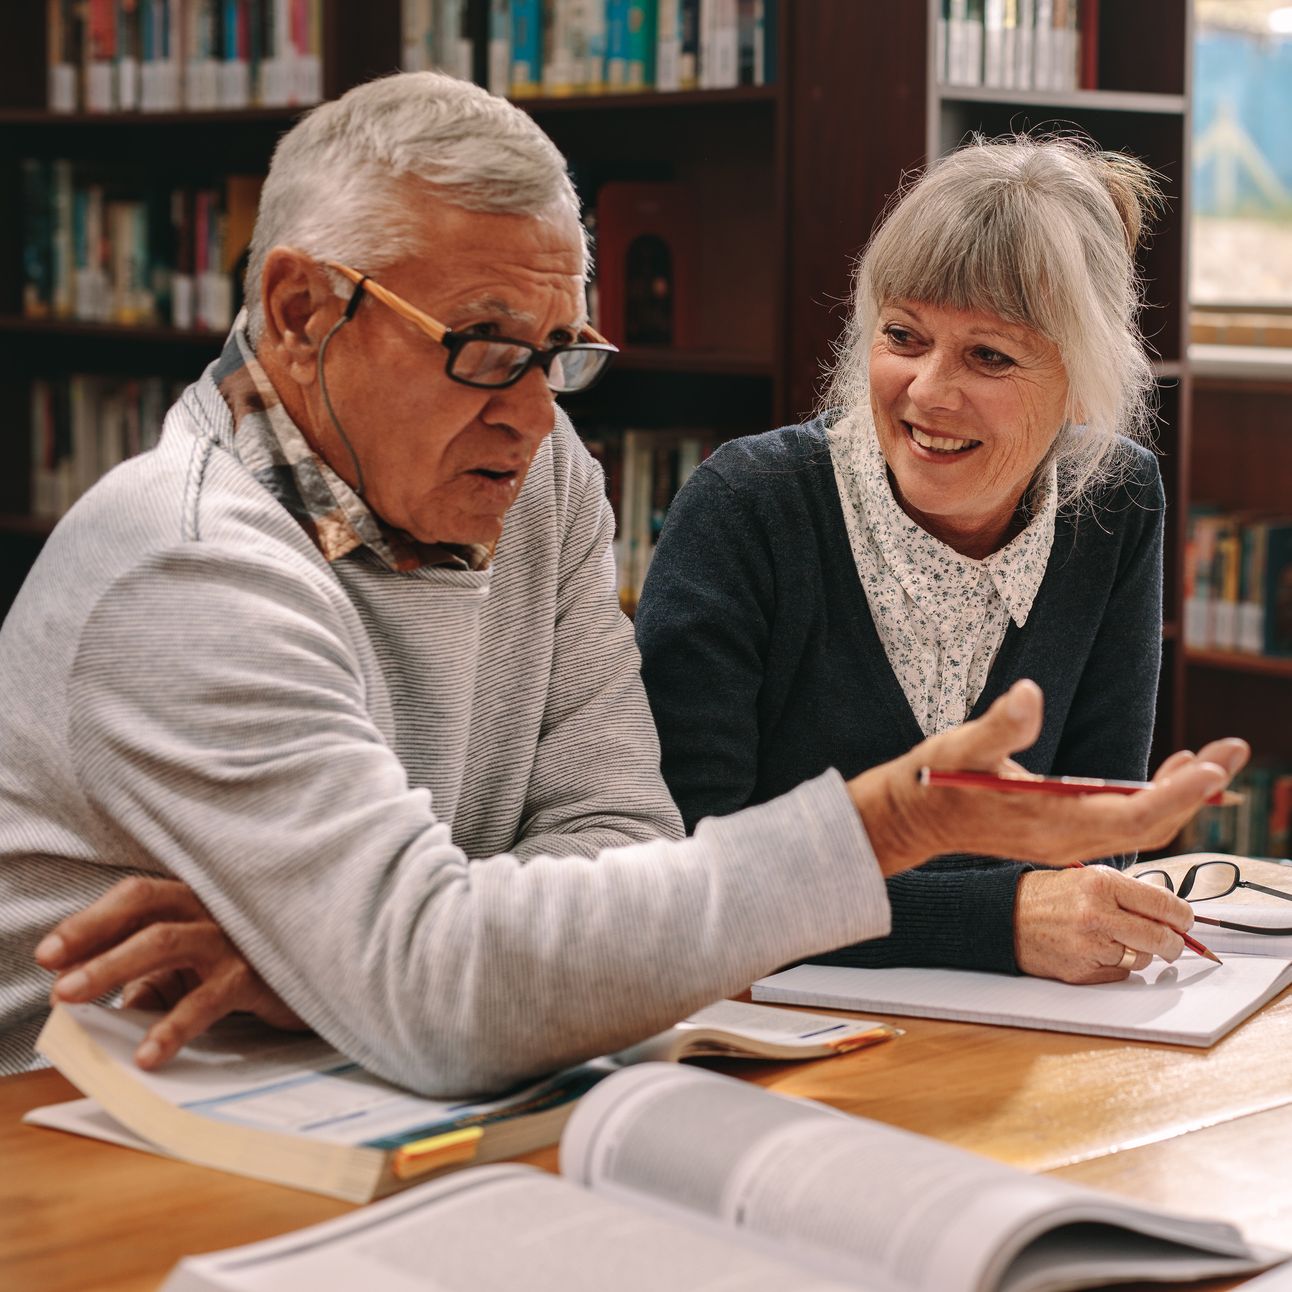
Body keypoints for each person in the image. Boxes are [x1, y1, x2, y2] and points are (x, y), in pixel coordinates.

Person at [0, 83, 1241, 1094]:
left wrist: (357, 960)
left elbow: (621, 842)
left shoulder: (536, 488)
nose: (538, 414)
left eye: (562, 353)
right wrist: (397, 964)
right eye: (486, 348)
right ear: (299, 310)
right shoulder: (187, 563)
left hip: (354, 1080)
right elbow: (451, 984)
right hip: (71, 1133)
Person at [636, 134, 1194, 986]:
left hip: (1023, 1036)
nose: (929, 391)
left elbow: (1091, 840)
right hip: (777, 1031)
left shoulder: (1118, 502)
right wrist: (996, 919)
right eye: (904, 336)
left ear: (1081, 379)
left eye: (990, 355)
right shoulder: (747, 506)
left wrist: (1072, 909)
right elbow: (688, 871)